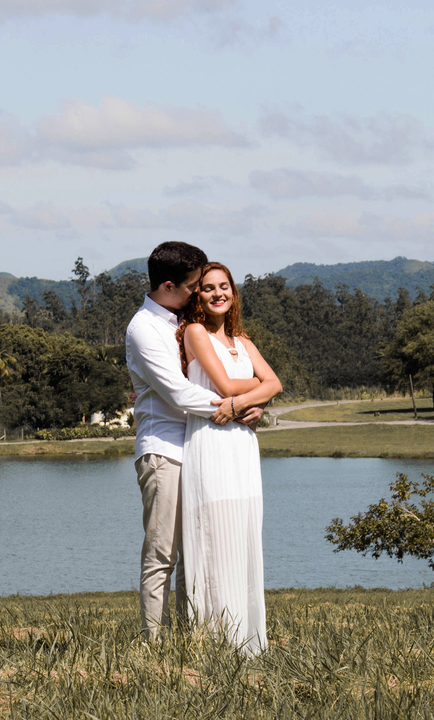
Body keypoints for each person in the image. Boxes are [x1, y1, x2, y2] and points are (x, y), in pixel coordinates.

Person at [125, 242, 264, 639]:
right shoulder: (144, 329)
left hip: (201, 446)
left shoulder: (184, 320)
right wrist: (238, 405)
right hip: (165, 449)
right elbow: (179, 393)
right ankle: (154, 643)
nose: (197, 293)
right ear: (169, 286)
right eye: (192, 286)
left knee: (199, 549)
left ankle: (192, 637)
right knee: (162, 553)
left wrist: (249, 403)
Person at [178, 262, 281, 655]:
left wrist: (241, 402)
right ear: (198, 296)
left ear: (233, 293)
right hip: (211, 443)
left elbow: (276, 384)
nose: (217, 293)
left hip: (242, 445)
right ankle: (214, 640)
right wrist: (257, 387)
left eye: (224, 286)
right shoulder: (195, 332)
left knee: (244, 534)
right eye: (208, 288)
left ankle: (248, 642)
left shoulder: (244, 341)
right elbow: (224, 384)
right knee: (216, 536)